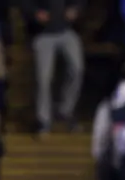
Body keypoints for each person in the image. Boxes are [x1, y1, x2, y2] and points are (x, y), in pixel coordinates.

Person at [21, 0, 85, 134]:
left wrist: (75, 8)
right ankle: (43, 120)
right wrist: (35, 13)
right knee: (44, 78)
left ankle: (65, 111)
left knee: (77, 69)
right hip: (43, 34)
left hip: (66, 30)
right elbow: (24, 4)